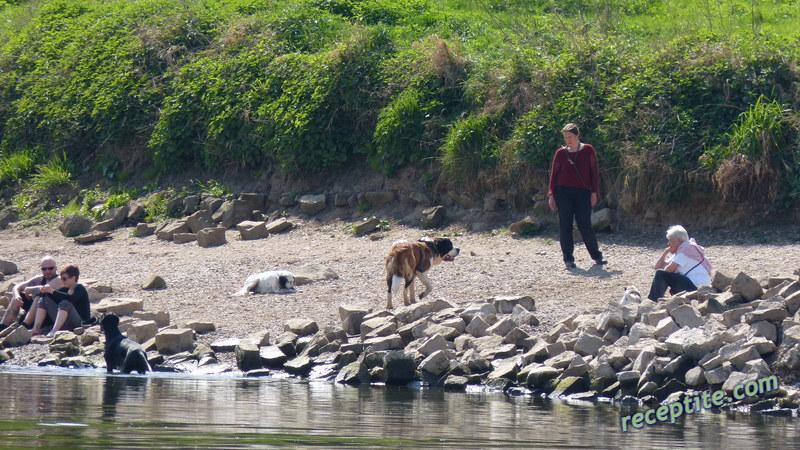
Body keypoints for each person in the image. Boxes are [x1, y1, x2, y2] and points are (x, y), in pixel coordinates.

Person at [548, 123, 607, 269]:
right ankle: (568, 259)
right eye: (565, 137)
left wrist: (594, 192)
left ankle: (597, 256)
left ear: (577, 135)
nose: (568, 140)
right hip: (563, 192)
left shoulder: (588, 150)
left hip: (582, 192)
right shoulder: (561, 153)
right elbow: (554, 175)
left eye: (570, 136)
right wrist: (551, 195)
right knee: (565, 225)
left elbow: (594, 172)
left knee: (585, 225)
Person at [647, 225, 713, 301]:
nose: (668, 244)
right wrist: (665, 252)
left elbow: (668, 270)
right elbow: (657, 267)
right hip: (697, 286)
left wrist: (666, 270)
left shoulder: (685, 251)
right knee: (662, 273)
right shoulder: (683, 250)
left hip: (698, 287)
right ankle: (656, 299)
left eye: (670, 241)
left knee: (661, 274)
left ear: (678, 241)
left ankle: (653, 300)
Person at [0, 256, 63, 330]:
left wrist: (27, 289)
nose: (47, 271)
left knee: (39, 296)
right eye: (44, 269)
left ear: (56, 268)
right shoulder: (40, 278)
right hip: (36, 311)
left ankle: (25, 325)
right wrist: (17, 296)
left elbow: (43, 289)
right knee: (18, 296)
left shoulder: (59, 279)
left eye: (50, 268)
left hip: (50, 313)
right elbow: (17, 287)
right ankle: (3, 325)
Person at [32, 265, 91, 337]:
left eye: (64, 279)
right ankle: (35, 330)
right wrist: (45, 291)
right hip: (66, 323)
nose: (62, 281)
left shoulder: (80, 288)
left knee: (65, 303)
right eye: (61, 279)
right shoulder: (65, 289)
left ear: (73, 278)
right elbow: (52, 296)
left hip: (79, 323)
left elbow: (72, 298)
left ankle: (54, 331)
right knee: (43, 300)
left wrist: (53, 291)